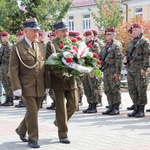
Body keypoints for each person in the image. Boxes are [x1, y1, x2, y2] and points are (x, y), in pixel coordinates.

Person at [10, 18, 45, 148]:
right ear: (25, 31)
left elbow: (43, 67)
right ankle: (33, 139)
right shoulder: (17, 48)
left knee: (34, 111)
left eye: (37, 31)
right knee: (32, 111)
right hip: (25, 86)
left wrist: (47, 84)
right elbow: (13, 69)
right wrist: (16, 87)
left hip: (39, 85)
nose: (36, 33)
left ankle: (21, 129)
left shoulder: (40, 46)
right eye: (33, 30)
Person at [45, 19, 78, 144]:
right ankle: (63, 134)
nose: (65, 33)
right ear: (57, 32)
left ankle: (59, 121)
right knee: (61, 108)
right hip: (58, 81)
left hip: (71, 80)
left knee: (74, 105)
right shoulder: (51, 45)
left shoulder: (72, 43)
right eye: (63, 31)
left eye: (67, 30)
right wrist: (62, 73)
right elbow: (49, 64)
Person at [123, 23, 150, 117]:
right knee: (132, 89)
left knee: (141, 89)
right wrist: (125, 59)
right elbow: (127, 53)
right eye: (132, 30)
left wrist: (144, 68)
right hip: (131, 68)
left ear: (141, 31)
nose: (133, 32)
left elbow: (147, 55)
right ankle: (136, 108)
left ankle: (141, 110)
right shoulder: (131, 42)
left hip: (140, 69)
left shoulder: (144, 41)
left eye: (135, 30)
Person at [100, 28, 122, 115]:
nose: (107, 35)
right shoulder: (106, 46)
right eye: (106, 34)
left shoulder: (115, 45)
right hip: (106, 70)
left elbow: (118, 60)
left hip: (113, 69)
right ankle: (111, 105)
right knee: (107, 89)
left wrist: (118, 72)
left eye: (109, 34)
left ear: (113, 35)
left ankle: (116, 107)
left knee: (115, 89)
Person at [82, 30, 102, 113]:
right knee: (87, 87)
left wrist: (93, 70)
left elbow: (96, 58)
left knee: (93, 87)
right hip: (85, 69)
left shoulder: (95, 45)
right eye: (85, 36)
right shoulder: (84, 45)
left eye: (88, 36)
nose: (86, 37)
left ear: (92, 36)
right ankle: (90, 104)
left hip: (92, 70)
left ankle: (94, 105)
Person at [0, 32, 14, 106]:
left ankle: (11, 99)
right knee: (4, 83)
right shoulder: (3, 46)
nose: (1, 38)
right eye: (1, 37)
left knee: (9, 84)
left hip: (7, 66)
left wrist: (10, 70)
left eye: (3, 37)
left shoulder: (10, 46)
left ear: (7, 37)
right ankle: (7, 99)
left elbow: (11, 60)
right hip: (2, 66)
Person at [14, 30, 26, 108]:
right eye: (18, 36)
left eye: (20, 36)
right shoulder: (16, 46)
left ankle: (23, 101)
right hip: (19, 69)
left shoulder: (25, 45)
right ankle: (22, 100)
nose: (19, 37)